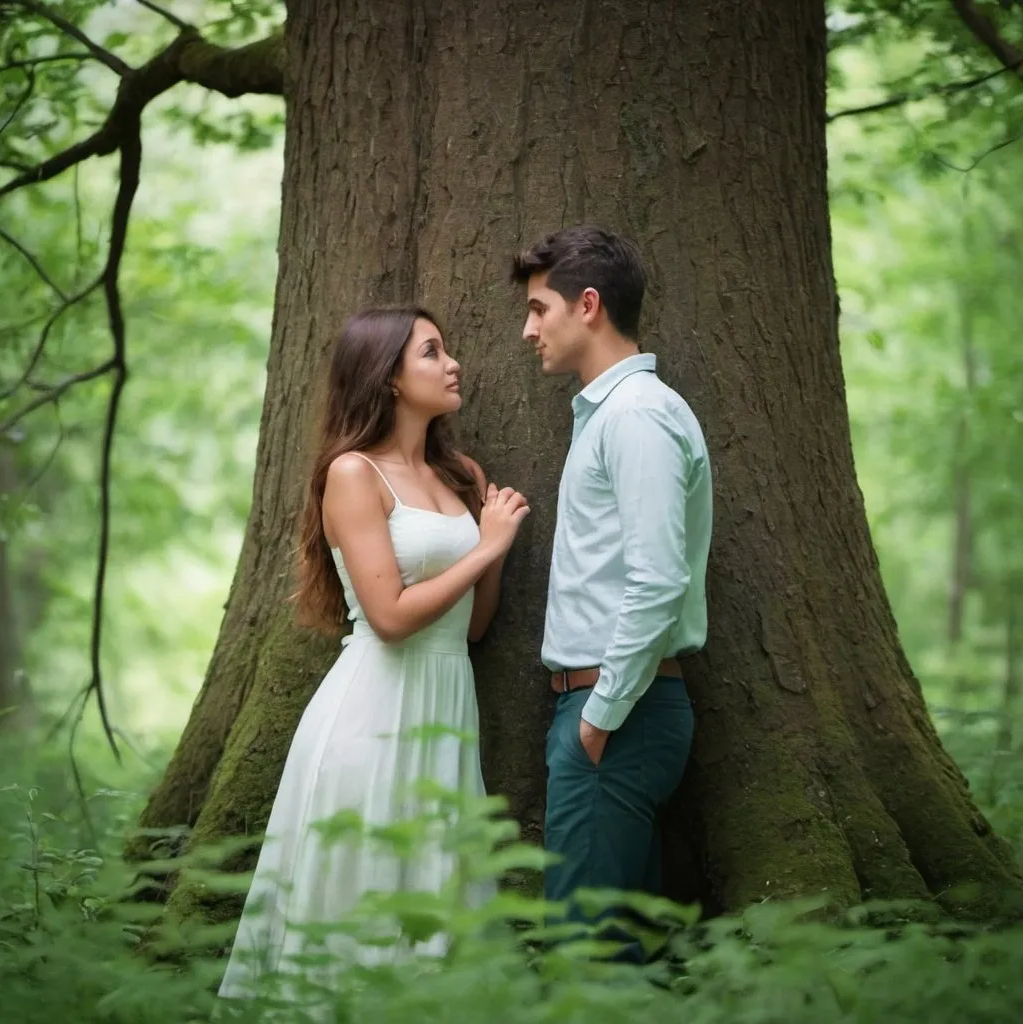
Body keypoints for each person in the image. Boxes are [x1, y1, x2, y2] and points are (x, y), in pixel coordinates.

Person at [218, 306, 529, 999]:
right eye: (431, 353)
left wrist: (491, 549)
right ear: (388, 378)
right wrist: (486, 545)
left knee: (439, 900)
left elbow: (474, 629)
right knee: (358, 906)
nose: (453, 365)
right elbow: (388, 618)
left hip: (447, 708)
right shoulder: (354, 474)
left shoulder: (461, 473)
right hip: (373, 713)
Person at [511, 226, 712, 960]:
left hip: (618, 714)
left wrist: (597, 719)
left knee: (587, 962)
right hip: (611, 711)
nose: (528, 328)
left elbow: (659, 578)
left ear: (587, 304)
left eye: (540, 308)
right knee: (613, 955)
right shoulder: (615, 415)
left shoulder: (636, 417)